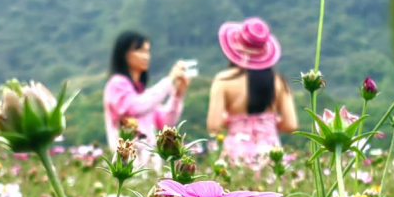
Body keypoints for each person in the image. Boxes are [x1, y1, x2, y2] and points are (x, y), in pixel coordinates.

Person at [207, 17, 297, 164]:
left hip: (237, 152)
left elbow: (214, 125)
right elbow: (291, 125)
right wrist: (267, 123)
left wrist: (234, 121)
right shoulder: (278, 81)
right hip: (270, 152)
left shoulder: (224, 80)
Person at [104, 31, 190, 164]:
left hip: (149, 162)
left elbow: (166, 121)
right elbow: (135, 107)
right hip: (127, 161)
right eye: (140, 50)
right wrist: (169, 80)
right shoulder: (117, 84)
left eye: (147, 51)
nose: (146, 56)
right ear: (124, 54)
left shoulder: (143, 92)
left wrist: (177, 95)